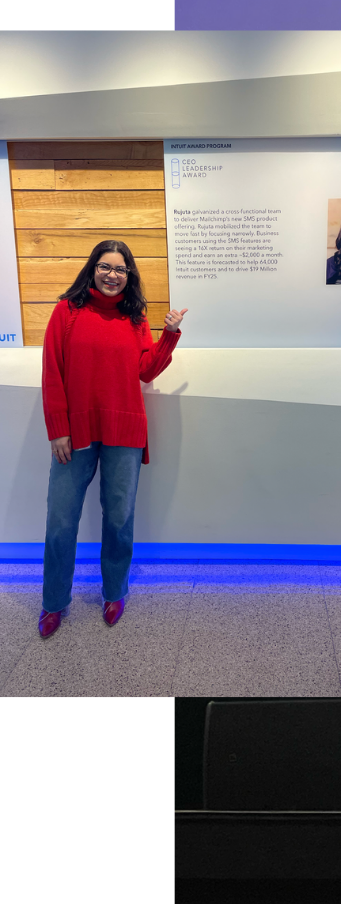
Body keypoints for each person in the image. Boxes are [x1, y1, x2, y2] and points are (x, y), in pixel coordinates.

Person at [38, 240, 187, 639]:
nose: (112, 275)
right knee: (60, 521)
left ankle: (114, 593)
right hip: (76, 434)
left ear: (129, 276)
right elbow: (52, 371)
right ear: (93, 269)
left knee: (119, 519)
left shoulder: (134, 317)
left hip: (125, 431)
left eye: (121, 270)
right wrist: (58, 429)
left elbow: (145, 370)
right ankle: (54, 601)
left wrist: (169, 335)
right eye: (106, 267)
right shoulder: (66, 312)